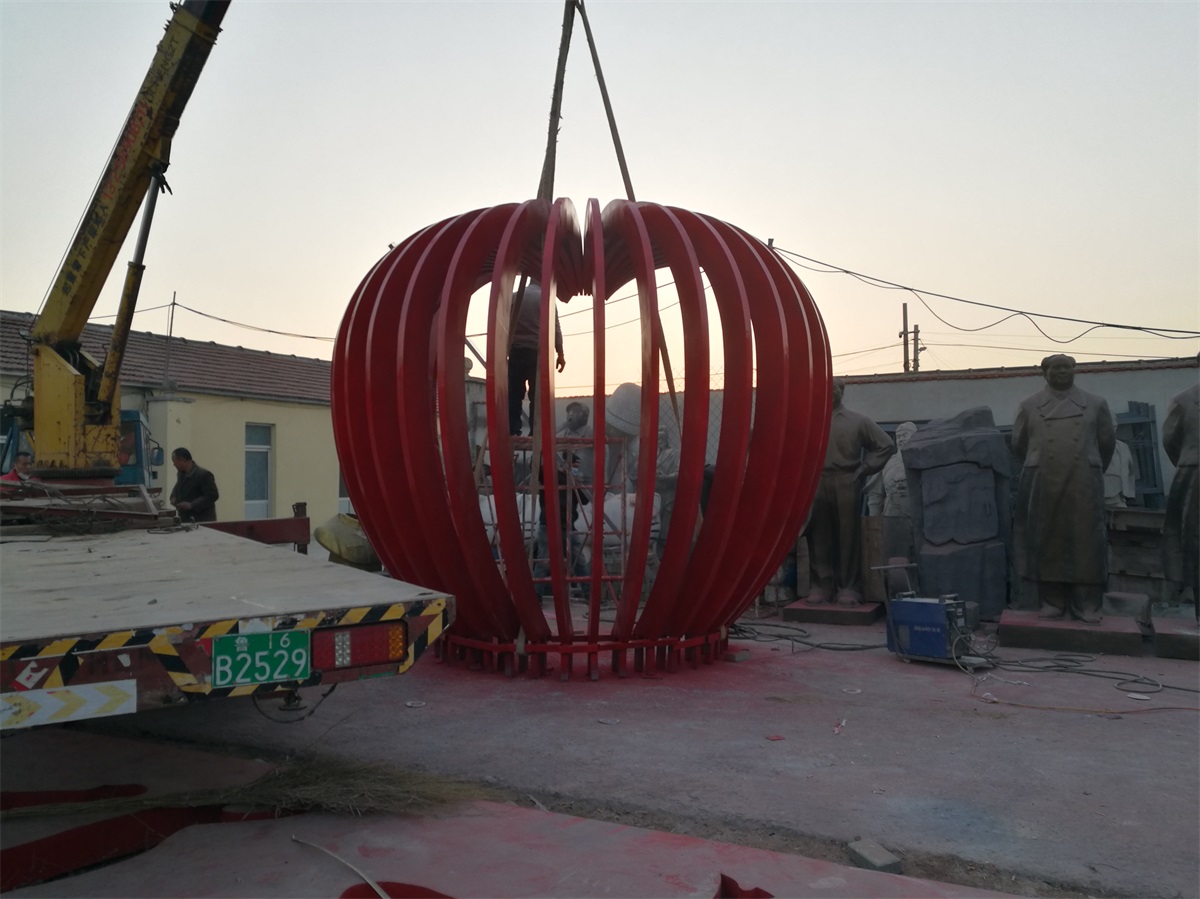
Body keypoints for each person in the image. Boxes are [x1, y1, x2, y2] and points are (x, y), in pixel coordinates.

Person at [1012, 355, 1115, 623]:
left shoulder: (1095, 403)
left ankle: (1087, 603)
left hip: (1083, 482)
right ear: (1044, 373)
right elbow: (1019, 444)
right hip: (1044, 482)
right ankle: (1052, 601)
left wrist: (1088, 469)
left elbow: (1106, 443)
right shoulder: (1029, 405)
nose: (1062, 372)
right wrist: (1042, 464)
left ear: (1074, 370)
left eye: (1067, 367)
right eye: (1056, 368)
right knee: (1047, 539)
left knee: (1086, 541)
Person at [805, 379, 895, 605]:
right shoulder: (810, 421)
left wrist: (864, 469)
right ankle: (821, 586)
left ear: (842, 391)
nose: (831, 392)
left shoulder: (858, 421)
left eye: (835, 388)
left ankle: (849, 587)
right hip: (816, 481)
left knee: (848, 536)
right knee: (818, 535)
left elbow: (885, 445)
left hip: (847, 480)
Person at [1162, 371, 1198, 615]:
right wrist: (1189, 464)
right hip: (1195, 474)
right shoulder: (1184, 400)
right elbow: (1171, 441)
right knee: (1194, 538)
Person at [507, 281, 565, 436]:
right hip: (536, 353)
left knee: (514, 394)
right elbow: (555, 328)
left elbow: (504, 324)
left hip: (515, 351)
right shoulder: (546, 298)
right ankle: (535, 432)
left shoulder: (514, 296)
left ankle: (513, 430)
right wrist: (560, 354)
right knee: (536, 395)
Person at [169, 447, 219, 523]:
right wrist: (174, 497)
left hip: (202, 521)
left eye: (174, 461)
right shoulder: (181, 474)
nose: (173, 464)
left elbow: (212, 495)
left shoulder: (204, 475)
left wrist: (192, 505)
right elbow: (178, 486)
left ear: (182, 460)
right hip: (185, 520)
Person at [556, 401, 593, 486]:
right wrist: (562, 425)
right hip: (564, 479)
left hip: (585, 482)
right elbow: (547, 440)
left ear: (584, 417)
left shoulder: (590, 433)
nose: (570, 415)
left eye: (575, 412)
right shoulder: (562, 434)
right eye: (569, 413)